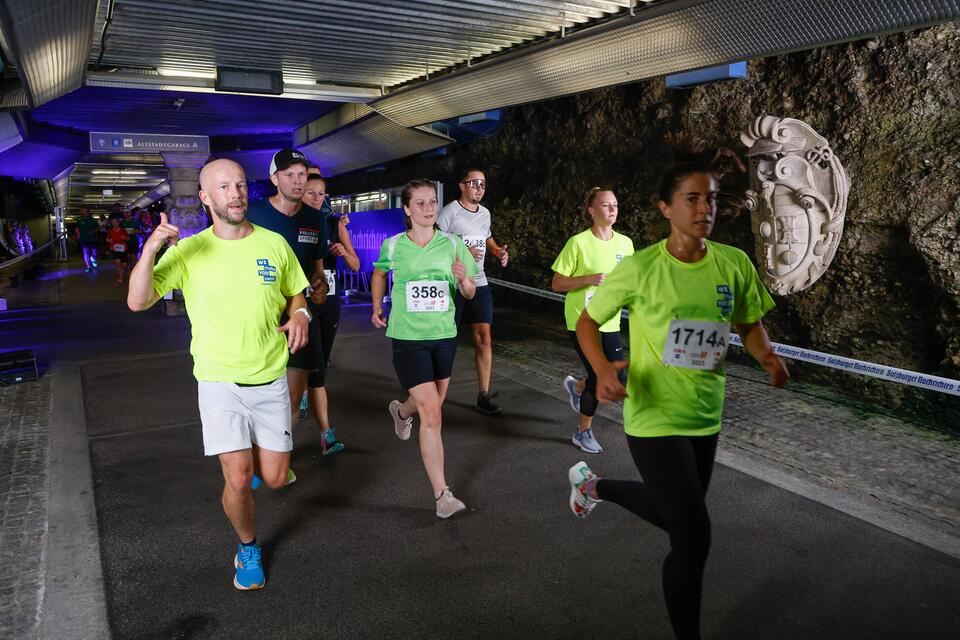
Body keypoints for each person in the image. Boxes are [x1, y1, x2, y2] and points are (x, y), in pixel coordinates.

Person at [566, 138, 790, 640]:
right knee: (693, 538)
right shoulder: (640, 268)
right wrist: (602, 369)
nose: (704, 207)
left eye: (710, 198)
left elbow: (749, 323)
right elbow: (587, 321)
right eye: (692, 198)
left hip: (705, 416)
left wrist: (766, 355)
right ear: (666, 207)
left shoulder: (733, 263)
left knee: (677, 519)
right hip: (652, 416)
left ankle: (593, 486)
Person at [127, 158, 310, 591]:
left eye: (241, 185)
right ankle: (247, 546)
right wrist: (151, 248)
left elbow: (296, 291)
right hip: (218, 382)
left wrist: (300, 312)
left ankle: (259, 460)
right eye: (224, 187)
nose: (236, 193)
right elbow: (137, 301)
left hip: (269, 378)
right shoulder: (188, 251)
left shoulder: (274, 244)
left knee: (279, 477)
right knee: (238, 478)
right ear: (206, 197)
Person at [372, 179, 478, 518]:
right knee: (432, 413)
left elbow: (470, 292)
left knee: (429, 404)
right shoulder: (393, 246)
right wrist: (377, 305)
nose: (429, 208)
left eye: (432, 202)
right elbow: (378, 273)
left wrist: (463, 279)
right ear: (407, 209)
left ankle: (401, 412)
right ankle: (442, 496)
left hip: (443, 335)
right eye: (420, 203)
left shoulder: (452, 244)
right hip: (408, 337)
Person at [246, 149, 329, 484]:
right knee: (257, 397)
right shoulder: (253, 213)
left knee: (292, 399)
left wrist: (320, 286)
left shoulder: (316, 219)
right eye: (290, 174)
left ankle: (279, 460)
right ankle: (254, 462)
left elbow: (318, 269)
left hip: (300, 318)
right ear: (275, 178)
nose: (297, 181)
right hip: (259, 320)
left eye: (302, 175)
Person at [551, 188, 634, 454]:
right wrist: (588, 279)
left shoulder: (626, 244)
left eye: (615, 205)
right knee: (602, 376)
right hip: (582, 321)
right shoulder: (578, 243)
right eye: (606, 205)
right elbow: (557, 283)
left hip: (609, 321)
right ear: (592, 210)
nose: (612, 209)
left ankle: (578, 387)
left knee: (619, 377)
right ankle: (583, 431)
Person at [437, 168, 509, 415]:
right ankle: (434, 395)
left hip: (478, 282)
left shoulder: (485, 214)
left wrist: (498, 250)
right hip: (453, 284)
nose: (480, 188)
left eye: (483, 184)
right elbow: (434, 245)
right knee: (447, 341)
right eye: (474, 183)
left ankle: (483, 395)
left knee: (484, 339)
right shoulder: (449, 212)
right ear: (462, 185)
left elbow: (487, 238)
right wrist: (462, 252)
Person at [301, 170, 360, 456]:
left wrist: (342, 253)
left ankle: (307, 397)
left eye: (320, 193)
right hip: (301, 302)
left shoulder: (335, 224)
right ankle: (326, 433)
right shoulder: (292, 224)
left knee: (320, 363)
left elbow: (357, 265)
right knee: (315, 368)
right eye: (309, 192)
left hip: (330, 302)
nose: (315, 198)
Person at [105, 217, 129, 284]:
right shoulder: (110, 231)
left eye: (116, 222)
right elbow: (107, 239)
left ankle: (127, 270)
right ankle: (120, 278)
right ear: (112, 224)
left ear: (119, 223)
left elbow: (128, 238)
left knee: (124, 265)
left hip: (123, 249)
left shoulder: (123, 230)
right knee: (118, 264)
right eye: (113, 222)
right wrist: (109, 240)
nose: (115, 224)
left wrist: (125, 238)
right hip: (114, 249)